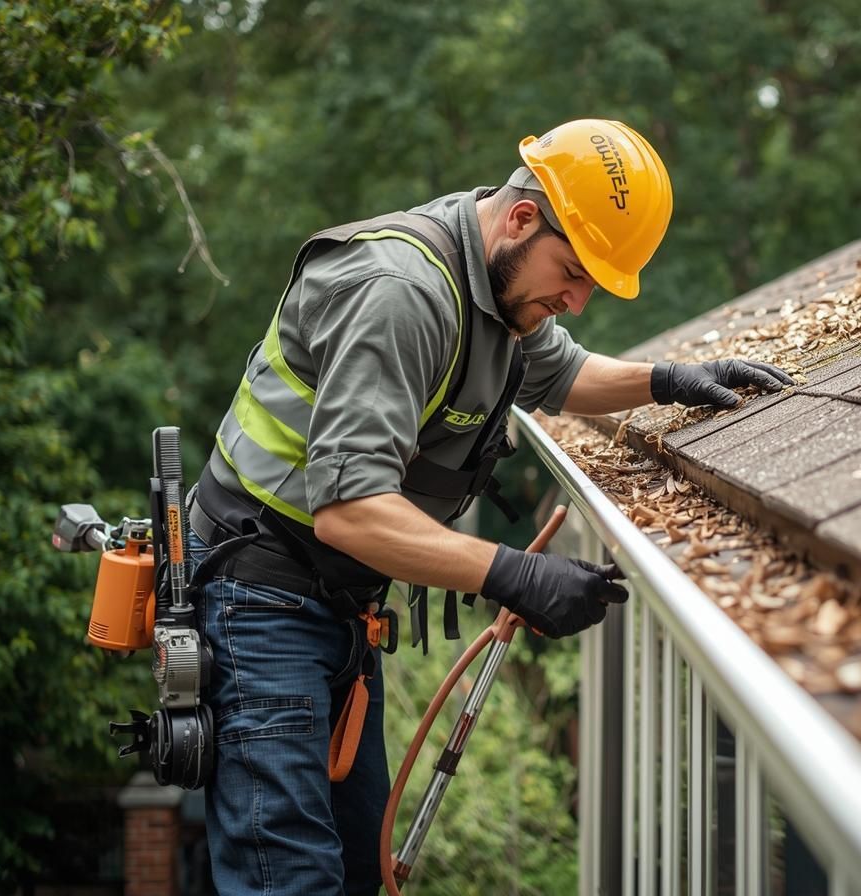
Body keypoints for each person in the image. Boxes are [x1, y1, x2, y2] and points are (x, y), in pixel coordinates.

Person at [184, 118, 792, 894]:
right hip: (260, 600)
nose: (574, 300)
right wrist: (511, 574)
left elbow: (564, 377)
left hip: (335, 606)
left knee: (356, 869)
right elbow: (349, 511)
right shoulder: (401, 295)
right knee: (290, 877)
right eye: (572, 273)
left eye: (590, 287)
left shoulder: (498, 289)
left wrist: (671, 379)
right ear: (521, 218)